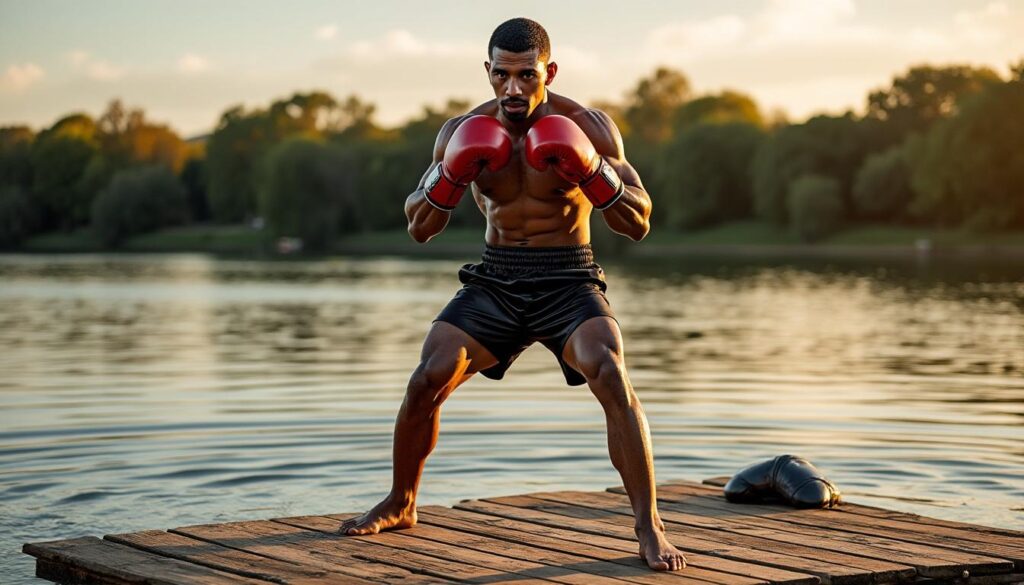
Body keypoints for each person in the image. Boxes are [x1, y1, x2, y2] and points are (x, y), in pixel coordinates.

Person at [338, 17, 686, 572]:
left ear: (548, 71)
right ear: (488, 71)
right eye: (502, 75)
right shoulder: (461, 130)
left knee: (610, 371)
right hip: (498, 276)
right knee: (428, 375)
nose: (513, 88)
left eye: (526, 75)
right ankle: (402, 503)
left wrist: (593, 170)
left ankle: (649, 526)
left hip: (568, 276)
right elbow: (419, 227)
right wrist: (449, 177)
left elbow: (638, 222)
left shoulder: (587, 125)